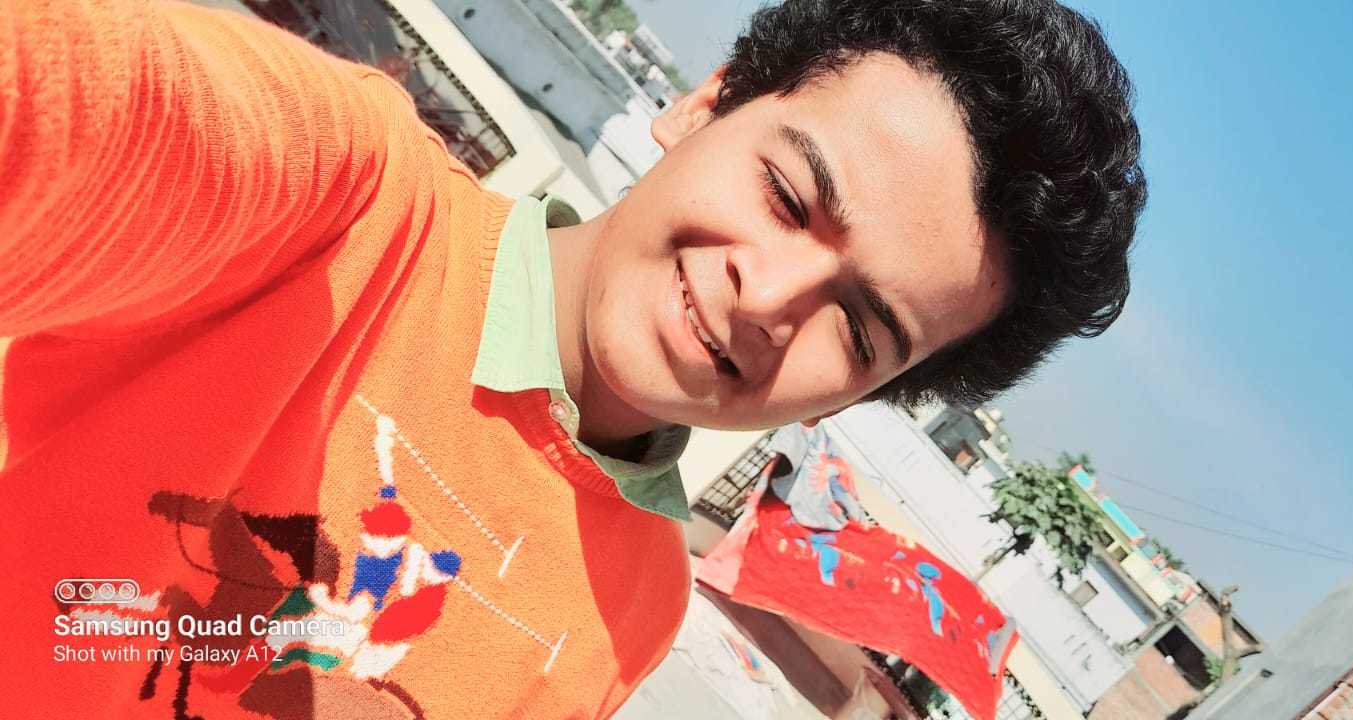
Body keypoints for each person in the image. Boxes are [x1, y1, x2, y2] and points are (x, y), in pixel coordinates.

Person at [0, 0, 1144, 716]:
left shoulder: (638, 601)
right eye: (788, 194)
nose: (769, 298)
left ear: (862, 396)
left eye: (858, 327)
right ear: (701, 107)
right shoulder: (344, 197)